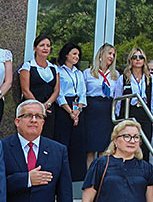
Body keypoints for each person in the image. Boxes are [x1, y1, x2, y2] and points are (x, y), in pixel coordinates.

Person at [51, 43, 87, 181]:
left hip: (77, 107)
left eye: (78, 55)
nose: (76, 57)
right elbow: (59, 92)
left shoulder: (79, 73)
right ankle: (60, 174)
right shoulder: (58, 70)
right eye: (74, 54)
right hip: (64, 108)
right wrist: (69, 111)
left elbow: (83, 92)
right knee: (63, 141)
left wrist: (77, 111)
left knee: (77, 143)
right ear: (66, 54)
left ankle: (76, 177)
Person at [83, 44, 121, 165]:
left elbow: (117, 96)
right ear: (101, 54)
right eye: (109, 53)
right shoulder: (88, 72)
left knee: (104, 148)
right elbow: (82, 93)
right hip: (91, 110)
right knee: (90, 148)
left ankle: (101, 178)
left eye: (113, 55)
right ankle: (90, 178)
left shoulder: (115, 75)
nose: (112, 57)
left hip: (107, 110)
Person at [117, 48, 153, 159]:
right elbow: (118, 99)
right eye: (135, 57)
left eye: (141, 57)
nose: (138, 59)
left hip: (144, 113)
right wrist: (118, 118)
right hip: (129, 113)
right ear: (130, 60)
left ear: (144, 60)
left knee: (145, 146)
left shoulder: (150, 78)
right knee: (128, 144)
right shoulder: (123, 78)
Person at [18, 35, 60, 119]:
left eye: (48, 46)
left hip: (49, 109)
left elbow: (56, 90)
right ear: (35, 48)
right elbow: (25, 90)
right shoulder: (28, 66)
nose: (45, 48)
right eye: (42, 45)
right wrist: (39, 107)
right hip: (30, 109)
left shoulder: (54, 68)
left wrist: (46, 105)